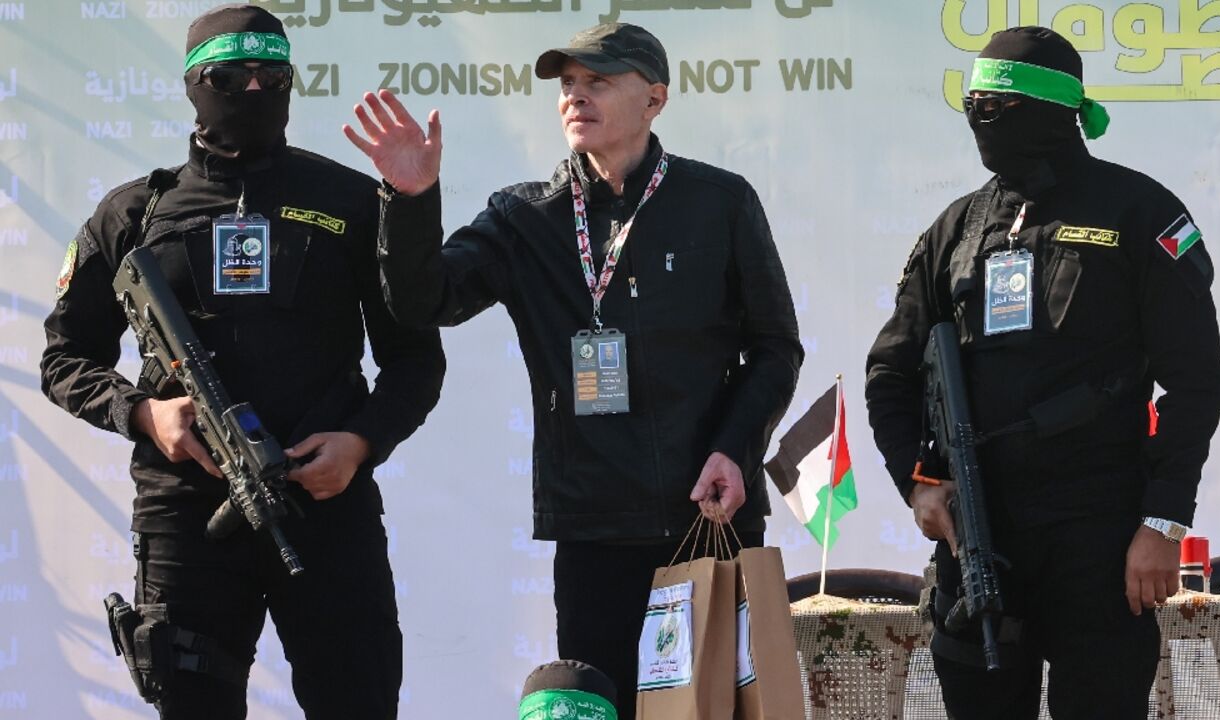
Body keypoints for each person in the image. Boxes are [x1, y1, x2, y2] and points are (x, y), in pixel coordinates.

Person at [343, 22, 802, 717]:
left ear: (654, 99)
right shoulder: (525, 217)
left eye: (597, 82)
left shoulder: (720, 201)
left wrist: (736, 450)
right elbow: (424, 300)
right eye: (567, 85)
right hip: (594, 528)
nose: (575, 98)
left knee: (719, 710)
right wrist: (410, 203)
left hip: (711, 513)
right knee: (597, 708)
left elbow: (775, 348)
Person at [40, 5, 444, 718]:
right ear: (196, 84)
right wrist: (143, 413)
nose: (254, 93)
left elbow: (415, 359)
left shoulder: (349, 200)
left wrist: (360, 443)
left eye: (272, 77)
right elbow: (66, 358)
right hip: (186, 513)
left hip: (326, 506)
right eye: (232, 77)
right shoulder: (134, 214)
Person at [865, 26, 1220, 718]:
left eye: (996, 108)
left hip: (1101, 535)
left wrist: (1163, 522)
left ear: (1053, 109)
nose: (980, 121)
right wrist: (918, 483)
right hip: (978, 536)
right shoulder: (957, 228)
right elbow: (892, 372)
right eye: (971, 106)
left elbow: (1197, 384)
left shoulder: (1140, 212)